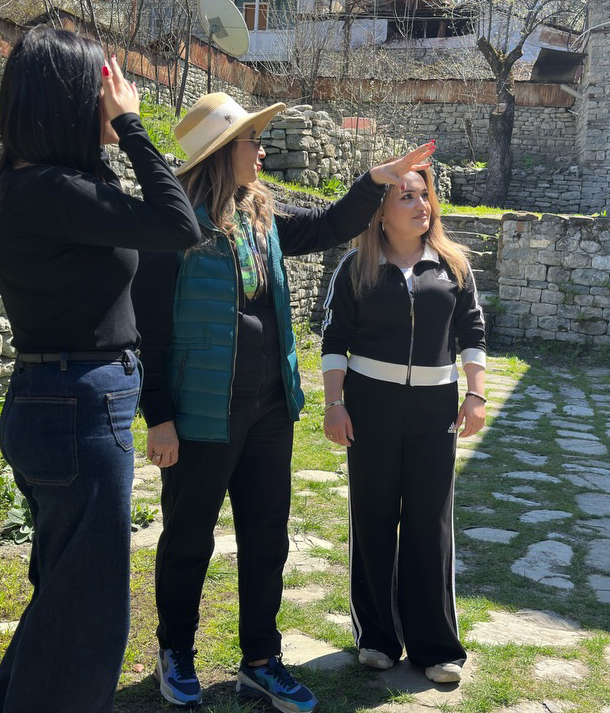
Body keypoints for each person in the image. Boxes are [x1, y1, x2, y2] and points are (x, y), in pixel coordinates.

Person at [132, 91, 436, 712]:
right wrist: (158, 417)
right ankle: (176, 651)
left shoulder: (261, 215)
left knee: (268, 538)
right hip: (201, 413)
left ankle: (260, 660)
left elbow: (328, 226)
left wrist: (375, 180)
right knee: (188, 537)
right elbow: (149, 331)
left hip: (269, 409)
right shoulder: (175, 225)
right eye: (252, 141)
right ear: (223, 152)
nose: (262, 151)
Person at [0, 28, 202, 713]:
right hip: (78, 408)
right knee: (88, 616)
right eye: (99, 89)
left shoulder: (34, 186)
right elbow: (179, 224)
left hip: (57, 402)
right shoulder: (52, 191)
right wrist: (131, 126)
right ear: (69, 102)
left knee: (65, 599)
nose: (113, 98)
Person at [318, 166, 487, 684]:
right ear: (381, 213)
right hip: (370, 406)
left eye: (424, 195)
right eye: (407, 197)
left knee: (429, 522)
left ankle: (435, 646)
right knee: (372, 517)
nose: (421, 205)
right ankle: (377, 638)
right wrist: (333, 404)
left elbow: (473, 331)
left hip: (435, 410)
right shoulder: (356, 267)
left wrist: (476, 394)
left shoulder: (453, 265)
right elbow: (333, 340)